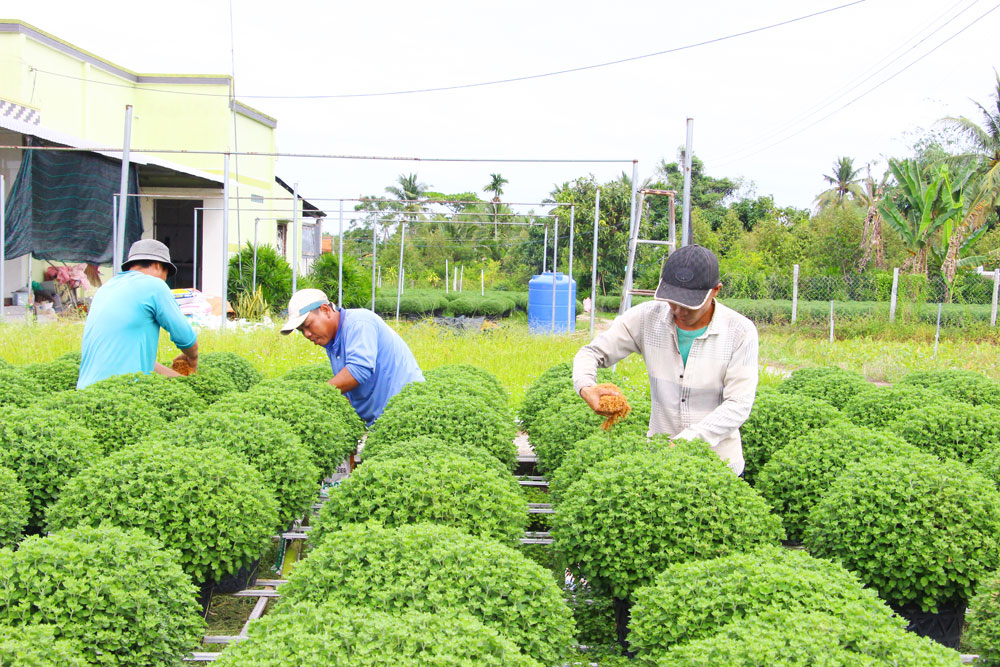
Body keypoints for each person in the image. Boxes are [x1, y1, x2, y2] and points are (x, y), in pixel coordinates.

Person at [573, 244, 758, 476]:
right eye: (672, 300)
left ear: (715, 291)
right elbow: (591, 353)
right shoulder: (646, 318)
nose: (679, 311)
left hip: (718, 468)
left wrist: (685, 441)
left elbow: (738, 405)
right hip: (660, 465)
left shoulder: (740, 332)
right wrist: (586, 387)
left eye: (689, 304)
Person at [281, 288, 424, 425]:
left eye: (308, 325)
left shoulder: (359, 322)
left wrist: (317, 394)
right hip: (379, 421)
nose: (307, 334)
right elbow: (346, 390)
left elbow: (359, 369)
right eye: (301, 330)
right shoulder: (332, 342)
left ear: (325, 310)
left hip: (408, 414)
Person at [77, 239, 198, 389]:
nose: (165, 279)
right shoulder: (154, 285)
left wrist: (183, 381)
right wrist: (192, 357)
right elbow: (185, 338)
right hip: (124, 392)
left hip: (86, 391)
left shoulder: (106, 288)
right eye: (166, 273)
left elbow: (133, 360)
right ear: (158, 265)